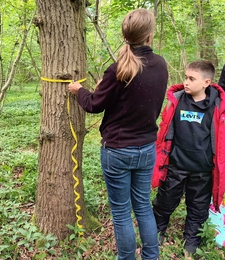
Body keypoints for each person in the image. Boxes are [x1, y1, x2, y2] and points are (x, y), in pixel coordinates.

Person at [69, 8, 168, 260]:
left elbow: (93, 104)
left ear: (126, 35)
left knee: (122, 212)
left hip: (117, 150)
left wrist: (78, 89)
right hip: (146, 147)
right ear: (149, 35)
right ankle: (151, 256)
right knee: (143, 206)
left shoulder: (118, 69)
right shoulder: (160, 65)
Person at [152, 60, 225, 257]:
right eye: (185, 77)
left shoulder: (218, 106)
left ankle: (191, 240)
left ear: (206, 82)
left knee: (198, 206)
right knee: (165, 200)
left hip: (203, 169)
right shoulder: (177, 100)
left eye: (191, 79)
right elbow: (164, 129)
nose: (186, 82)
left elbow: (224, 138)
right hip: (176, 165)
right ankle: (158, 230)